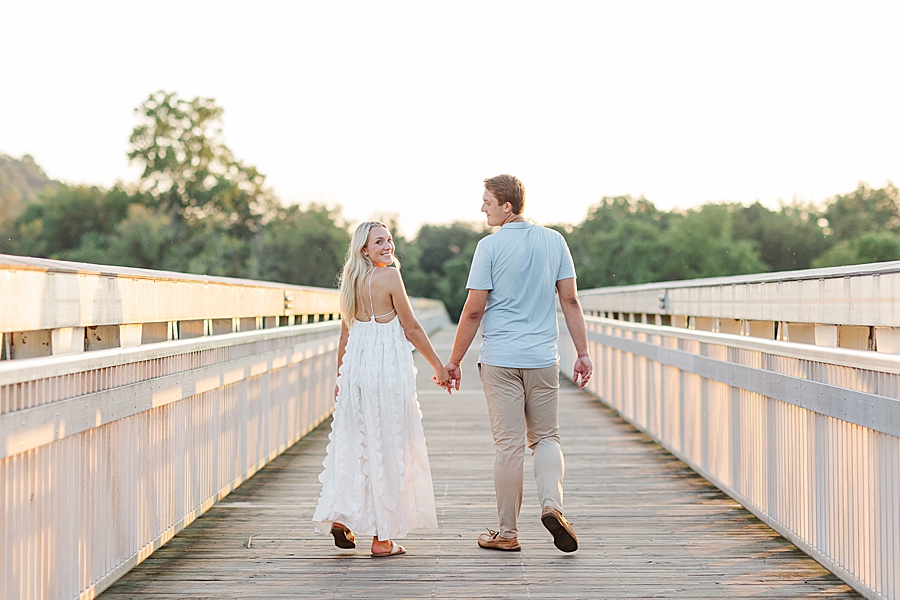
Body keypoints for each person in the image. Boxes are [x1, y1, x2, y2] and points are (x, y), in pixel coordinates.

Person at [444, 174, 593, 553]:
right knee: (546, 438)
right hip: (543, 359)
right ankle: (552, 506)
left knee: (508, 446)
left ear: (506, 206)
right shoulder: (555, 240)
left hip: (500, 360)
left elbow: (474, 311)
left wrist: (454, 360)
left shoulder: (489, 248)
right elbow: (570, 301)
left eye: (487, 202)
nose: (482, 208)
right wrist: (583, 353)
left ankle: (507, 534)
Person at [312, 221, 451, 557]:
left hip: (357, 371)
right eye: (379, 242)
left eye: (389, 240)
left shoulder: (351, 281)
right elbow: (413, 328)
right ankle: (381, 539)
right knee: (388, 446)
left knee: (355, 446)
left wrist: (339, 377)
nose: (388, 246)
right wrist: (439, 367)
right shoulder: (390, 277)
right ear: (364, 249)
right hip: (387, 372)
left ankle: (341, 516)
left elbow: (345, 335)